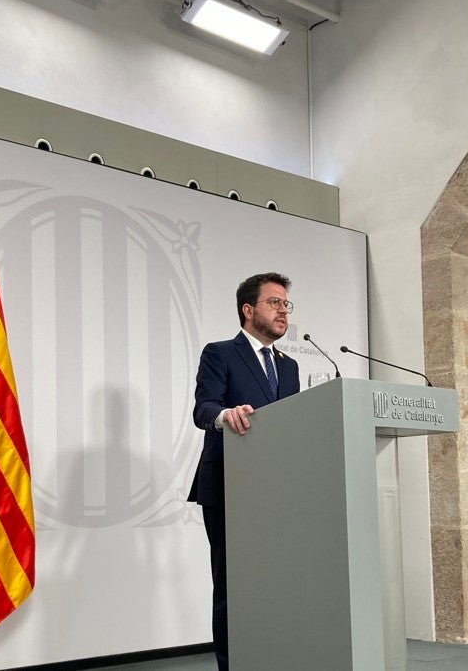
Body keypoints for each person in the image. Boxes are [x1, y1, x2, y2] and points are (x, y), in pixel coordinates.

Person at [188, 272, 300, 671]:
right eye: (274, 303)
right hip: (228, 486)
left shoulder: (289, 367)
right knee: (232, 587)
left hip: (275, 490)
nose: (283, 311)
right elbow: (204, 408)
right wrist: (225, 414)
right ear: (248, 310)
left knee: (273, 583)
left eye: (286, 304)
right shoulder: (220, 353)